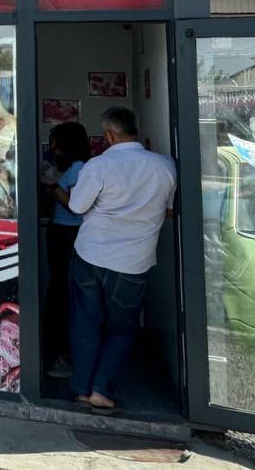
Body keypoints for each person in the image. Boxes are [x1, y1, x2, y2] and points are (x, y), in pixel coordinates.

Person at [67, 106, 176, 412]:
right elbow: (169, 209)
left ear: (109, 135)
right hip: (133, 260)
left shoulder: (99, 165)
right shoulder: (164, 166)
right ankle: (101, 389)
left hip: (92, 254)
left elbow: (77, 206)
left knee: (86, 322)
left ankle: (82, 388)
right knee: (123, 327)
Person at [38, 121, 90, 379]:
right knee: (58, 287)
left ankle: (63, 352)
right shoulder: (69, 168)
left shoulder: (79, 168)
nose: (54, 152)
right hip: (60, 231)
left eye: (57, 148)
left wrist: (51, 184)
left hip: (69, 233)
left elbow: (74, 205)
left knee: (62, 289)